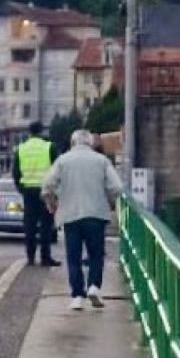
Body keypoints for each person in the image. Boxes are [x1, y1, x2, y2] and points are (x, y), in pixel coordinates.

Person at [42, 129, 123, 311]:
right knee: (96, 254)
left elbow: (47, 185)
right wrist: (110, 202)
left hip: (70, 216)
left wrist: (52, 203)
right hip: (96, 214)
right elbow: (117, 187)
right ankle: (94, 286)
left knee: (74, 257)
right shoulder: (101, 161)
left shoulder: (63, 160)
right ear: (91, 143)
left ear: (73, 143)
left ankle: (77, 296)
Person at [12, 121, 60, 267]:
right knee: (46, 225)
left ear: (29, 132)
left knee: (30, 225)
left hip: (28, 191)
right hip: (46, 191)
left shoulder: (20, 149)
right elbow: (56, 170)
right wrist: (55, 191)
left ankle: (30, 257)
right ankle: (45, 258)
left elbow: (15, 172)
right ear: (41, 131)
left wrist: (22, 188)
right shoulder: (49, 147)